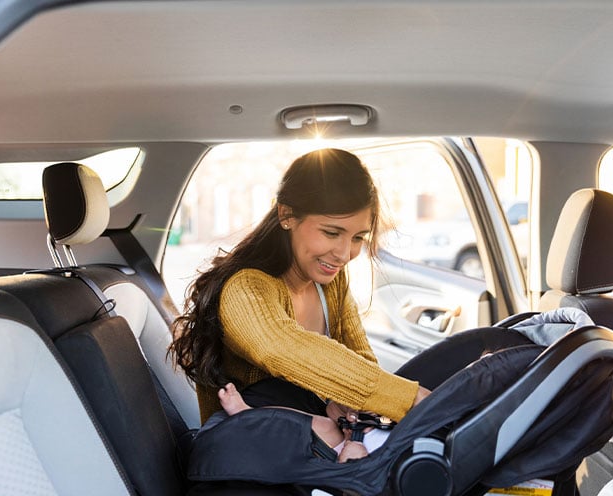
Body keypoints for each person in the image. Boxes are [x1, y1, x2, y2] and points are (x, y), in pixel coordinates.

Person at [170, 148, 431, 429]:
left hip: (311, 450)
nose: (344, 254)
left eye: (358, 237)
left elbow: (362, 360)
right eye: (331, 233)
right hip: (251, 459)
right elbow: (280, 347)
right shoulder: (245, 289)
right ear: (287, 215)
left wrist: (347, 400)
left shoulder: (331, 282)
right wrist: (410, 397)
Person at [218, 382, 388, 463]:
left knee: (301, 432)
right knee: (326, 421)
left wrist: (354, 464)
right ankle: (250, 414)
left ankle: (247, 416)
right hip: (370, 428)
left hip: (355, 461)